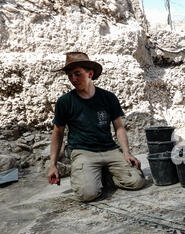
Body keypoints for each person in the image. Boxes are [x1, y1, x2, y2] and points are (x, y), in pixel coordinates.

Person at [47, 52, 145, 201]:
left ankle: (104, 174)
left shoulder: (108, 97)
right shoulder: (65, 102)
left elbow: (119, 128)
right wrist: (53, 165)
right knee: (87, 194)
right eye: (70, 75)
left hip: (109, 149)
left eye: (77, 74)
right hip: (83, 152)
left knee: (136, 181)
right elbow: (57, 133)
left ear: (90, 74)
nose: (73, 79)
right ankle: (90, 174)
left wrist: (126, 153)